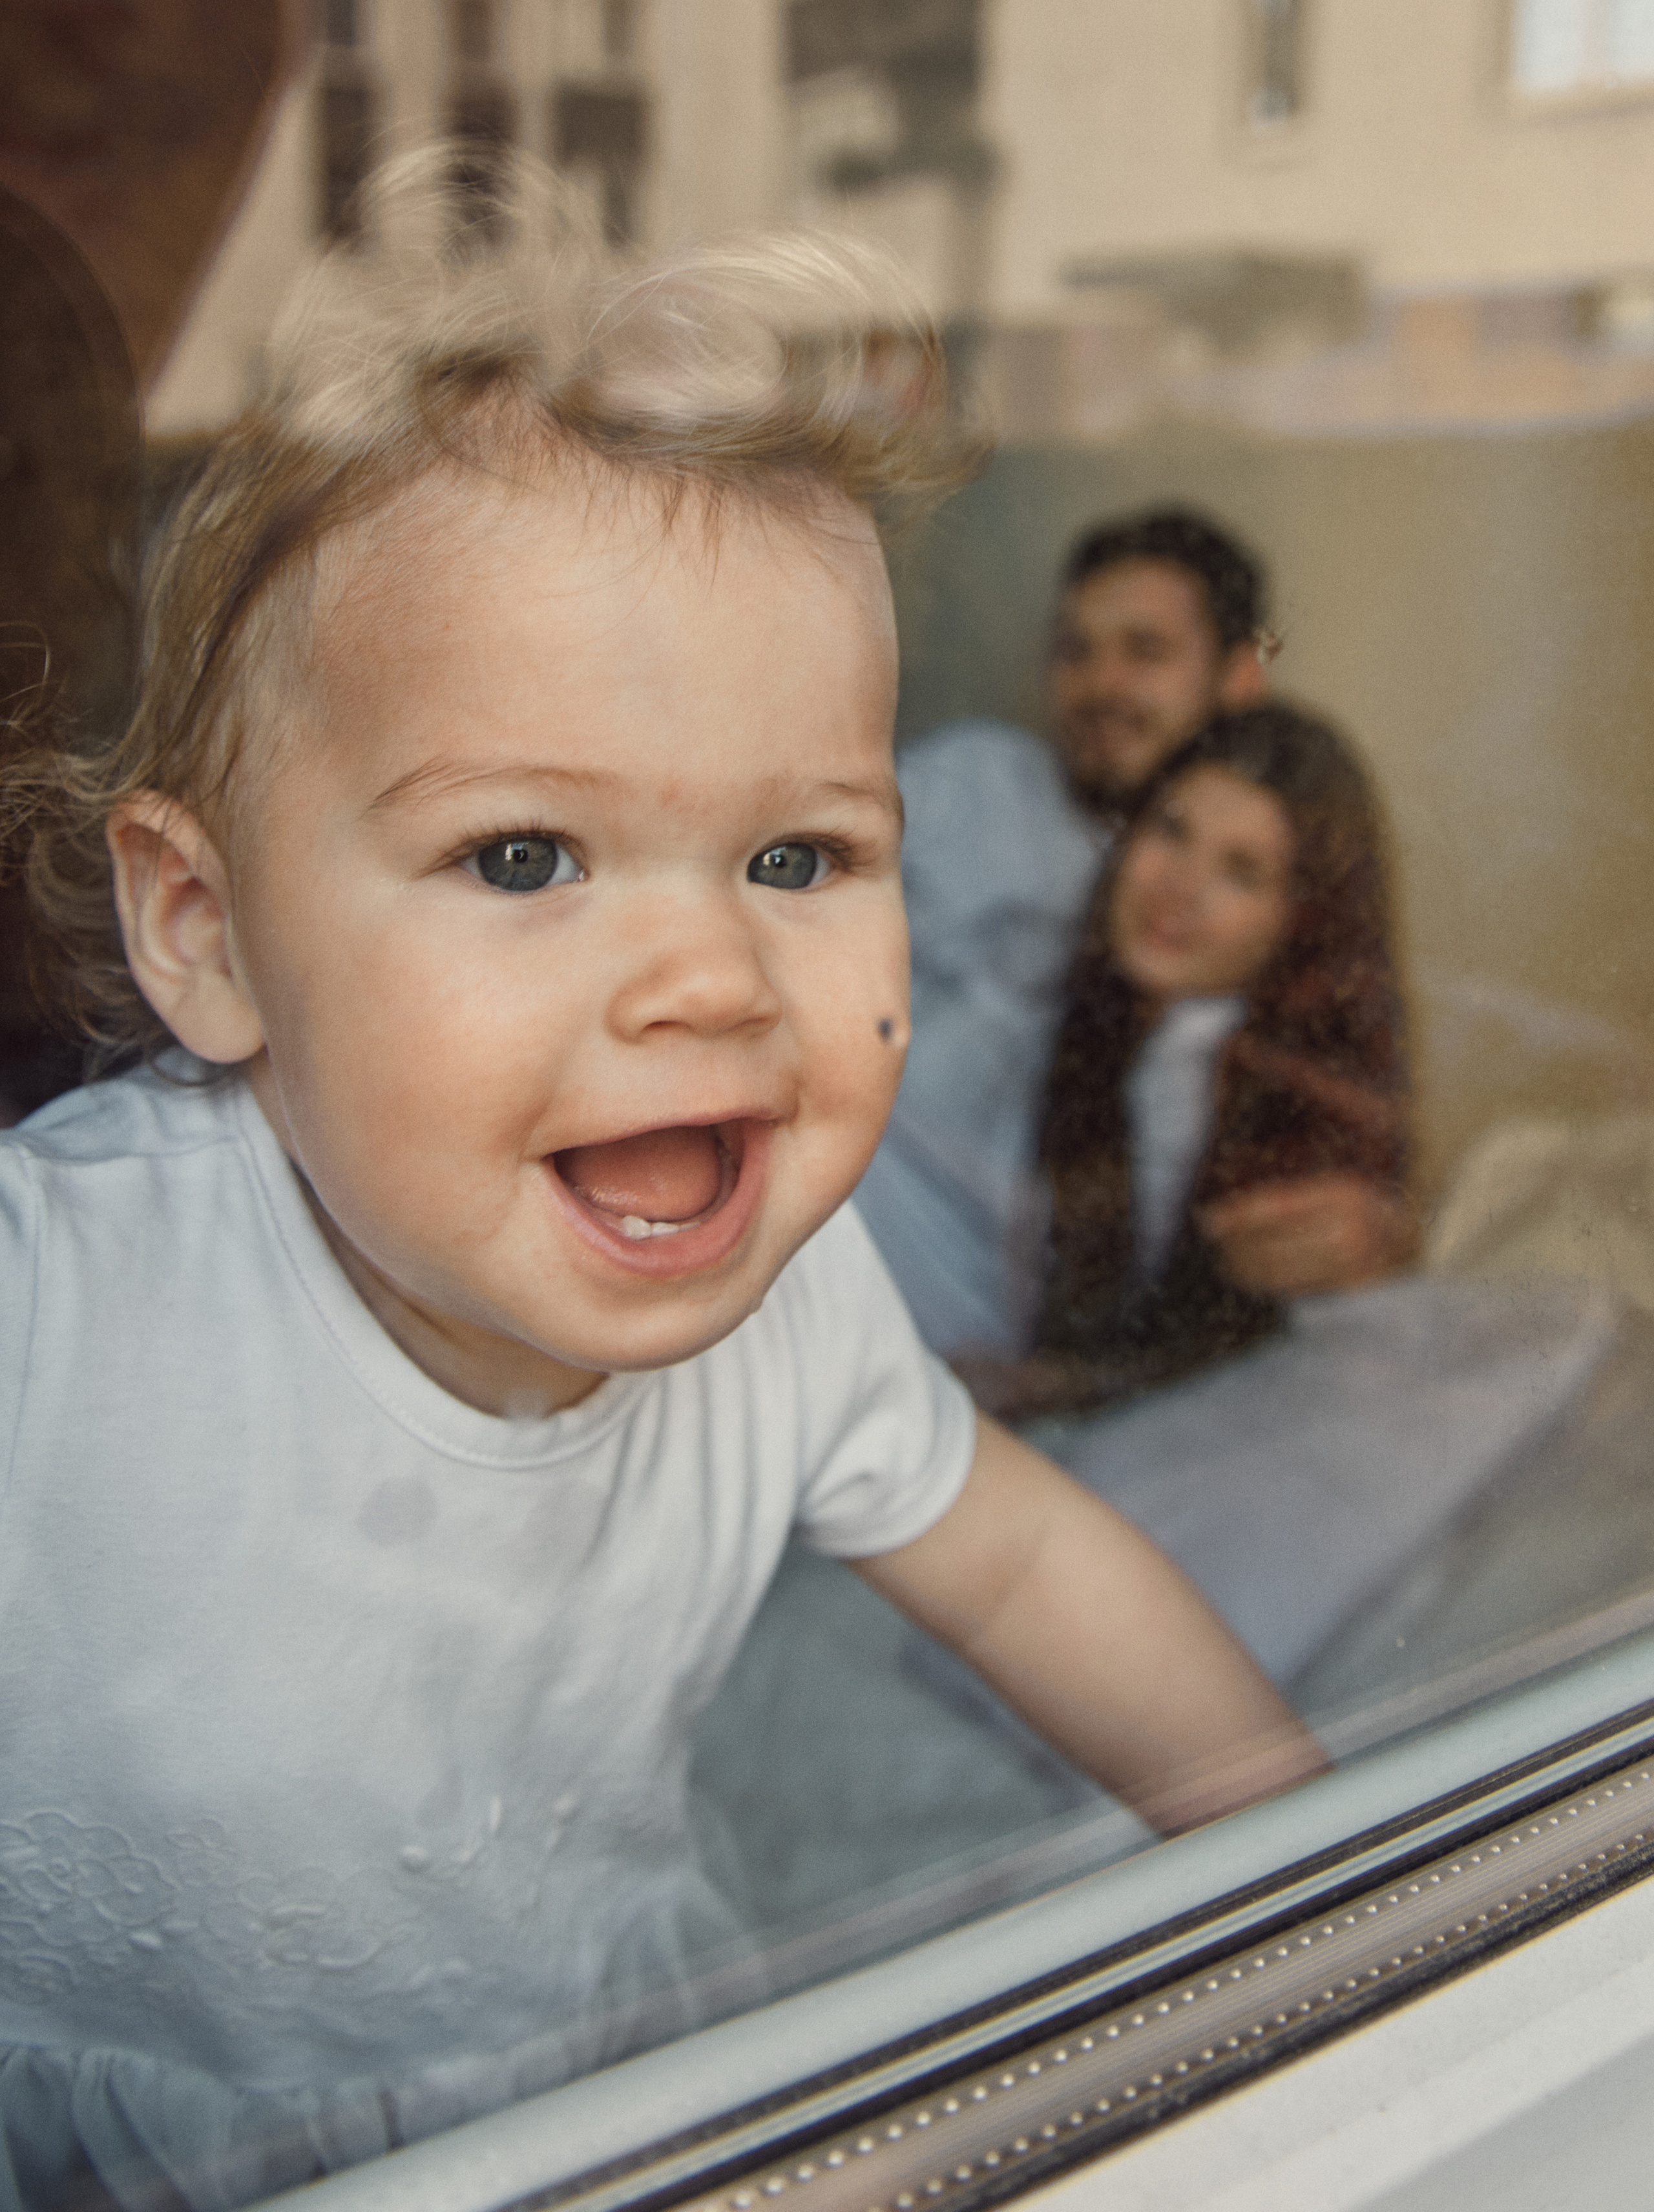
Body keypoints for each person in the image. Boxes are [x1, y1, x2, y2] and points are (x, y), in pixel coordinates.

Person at [0, 153, 1319, 2204]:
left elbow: (1034, 1568)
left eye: (799, 858)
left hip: (613, 2086)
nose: (712, 979)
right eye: (524, 857)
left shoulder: (794, 1309)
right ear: (208, 932)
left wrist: (1301, 1871)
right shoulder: (56, 1304)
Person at [853, 510, 1415, 1359]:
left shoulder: (1230, 973)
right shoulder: (976, 780)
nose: (1101, 684)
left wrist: (1388, 1234)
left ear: (1240, 674)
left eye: (1144, 652)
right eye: (1076, 650)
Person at [967, 704, 1408, 1421]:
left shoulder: (1293, 1092)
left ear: (1302, 920)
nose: (1180, 887)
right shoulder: (1110, 1029)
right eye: (1171, 829)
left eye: (1242, 871)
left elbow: (1232, 1371)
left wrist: (1048, 1387)